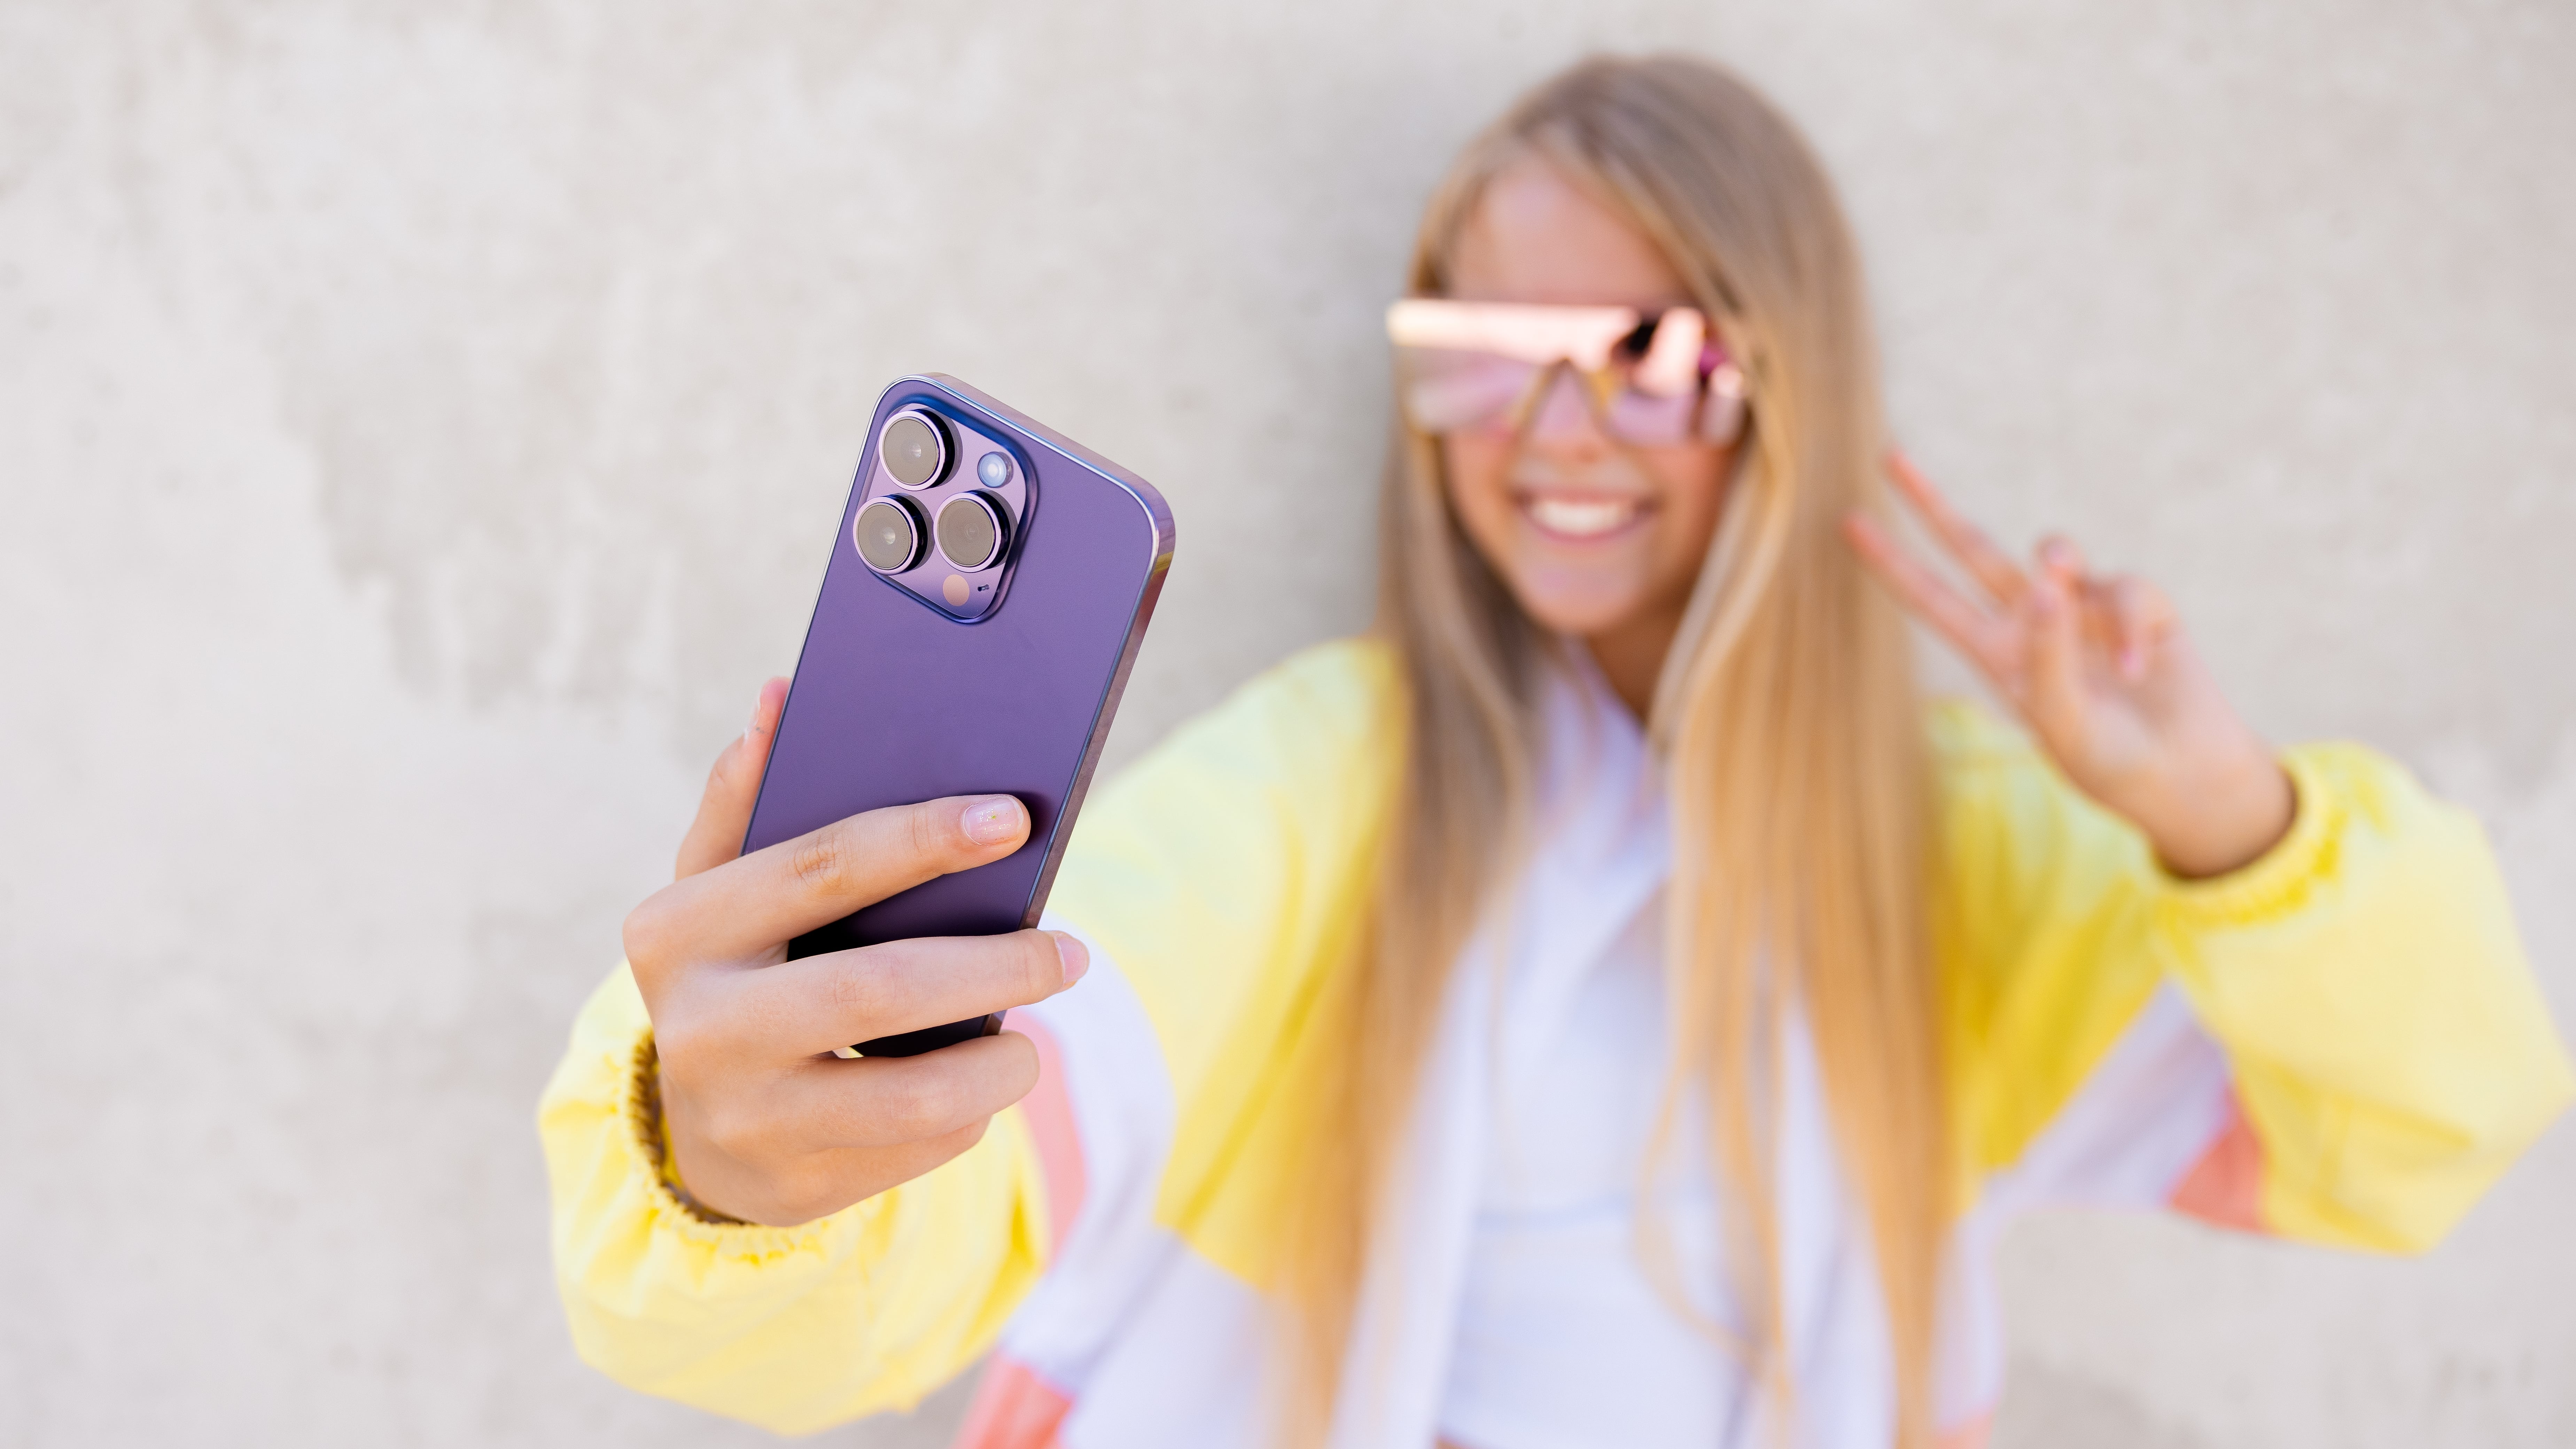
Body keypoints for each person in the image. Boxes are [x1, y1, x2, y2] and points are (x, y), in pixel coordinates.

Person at [537, 54, 2571, 1449]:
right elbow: (962, 1169)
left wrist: (2227, 823)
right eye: (1483, 361)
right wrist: (733, 1166)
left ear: (1788, 381)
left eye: (1652, 360)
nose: (1559, 434)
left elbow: (2406, 1137)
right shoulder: (1317, 793)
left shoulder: (1949, 855)